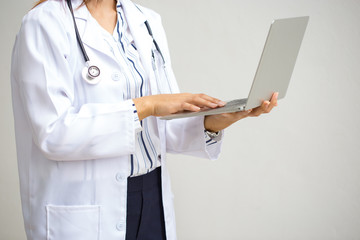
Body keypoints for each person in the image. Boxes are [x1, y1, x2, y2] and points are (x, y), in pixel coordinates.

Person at [10, 0, 278, 239]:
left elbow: (162, 127)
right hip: (86, 209)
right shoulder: (44, 22)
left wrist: (217, 120)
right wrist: (147, 105)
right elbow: (54, 133)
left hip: (152, 198)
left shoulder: (145, 20)